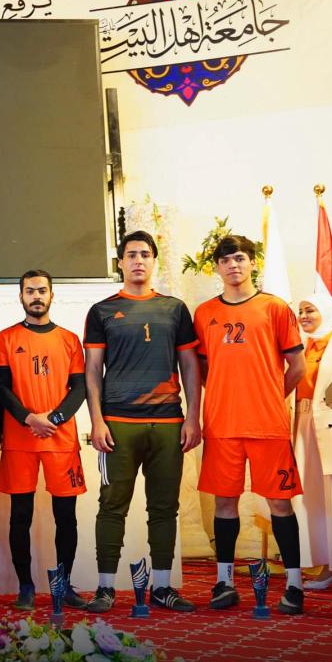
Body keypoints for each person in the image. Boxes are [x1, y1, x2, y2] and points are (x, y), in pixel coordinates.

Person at [83, 230, 202, 614]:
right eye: (131, 254)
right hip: (118, 423)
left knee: (165, 508)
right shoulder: (102, 311)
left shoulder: (175, 309)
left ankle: (162, 587)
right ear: (120, 262)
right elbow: (92, 370)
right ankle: (105, 589)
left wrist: (193, 417)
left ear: (154, 261)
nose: (138, 260)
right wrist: (97, 421)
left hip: (168, 423)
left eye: (145, 254)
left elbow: (190, 366)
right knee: (111, 506)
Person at [194, 235, 306, 614]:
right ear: (217, 267)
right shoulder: (204, 313)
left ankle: (294, 585)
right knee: (225, 502)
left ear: (252, 262)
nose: (233, 265)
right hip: (222, 425)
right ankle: (224, 582)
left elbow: (297, 366)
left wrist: (271, 396)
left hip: (267, 425)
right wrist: (226, 394)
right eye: (226, 260)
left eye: (240, 258)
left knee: (280, 503)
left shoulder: (274, 308)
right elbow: (202, 369)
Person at [0, 270, 87, 610]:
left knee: (66, 515)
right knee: (21, 515)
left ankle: (64, 585)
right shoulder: (5, 339)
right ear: (21, 296)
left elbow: (80, 387)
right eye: (30, 291)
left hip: (61, 439)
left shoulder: (69, 339)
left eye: (42, 290)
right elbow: (0, 387)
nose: (36, 296)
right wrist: (30, 418)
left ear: (51, 295)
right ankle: (26, 587)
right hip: (21, 439)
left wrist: (54, 419)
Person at [291, 292, 332, 608]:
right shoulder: (301, 347)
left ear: (328, 312)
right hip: (304, 426)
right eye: (301, 311)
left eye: (310, 310)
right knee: (314, 499)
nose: (304, 316)